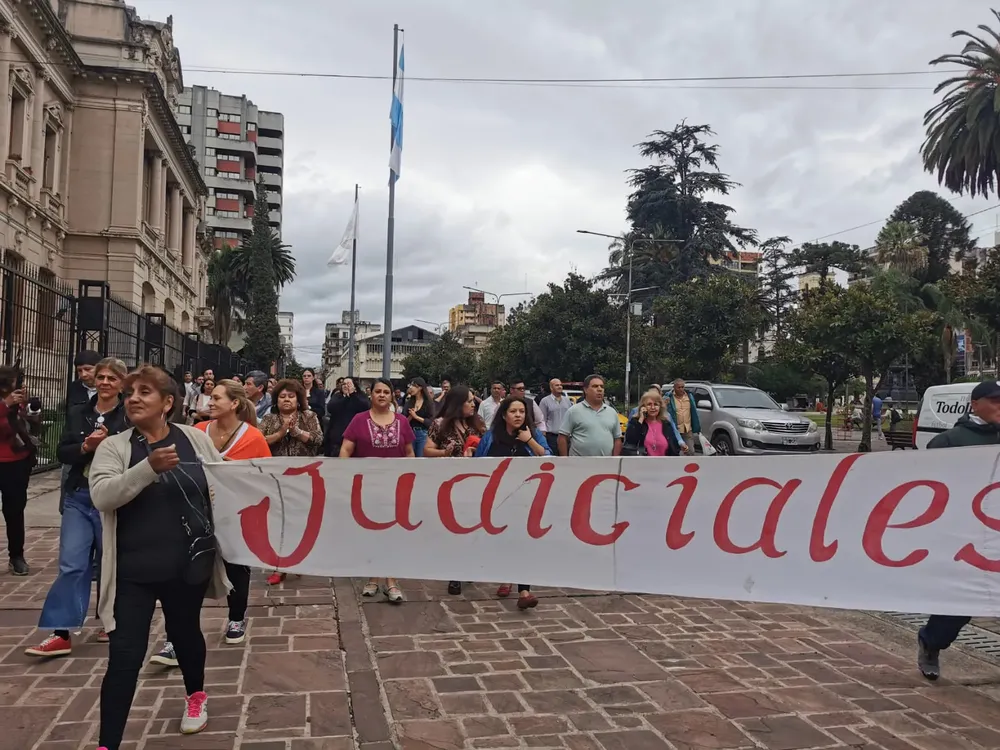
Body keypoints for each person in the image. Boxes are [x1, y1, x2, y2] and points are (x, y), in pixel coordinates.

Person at [88, 365, 232, 746]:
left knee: (185, 634)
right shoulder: (115, 447)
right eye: (131, 391)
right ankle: (108, 743)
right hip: (132, 572)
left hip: (186, 566)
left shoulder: (194, 440)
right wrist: (147, 468)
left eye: (145, 391)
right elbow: (102, 496)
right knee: (124, 657)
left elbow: (224, 482)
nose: (133, 397)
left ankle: (196, 697)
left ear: (167, 402)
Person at [150, 379, 269, 667]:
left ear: (235, 404)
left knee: (236, 564)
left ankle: (236, 618)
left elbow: (265, 476)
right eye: (210, 398)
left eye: (216, 398)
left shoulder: (253, 437)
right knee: (182, 573)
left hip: (234, 514)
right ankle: (175, 636)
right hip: (194, 514)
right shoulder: (196, 432)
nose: (210, 403)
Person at [26, 358, 129, 658]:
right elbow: (62, 452)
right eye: (101, 377)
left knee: (112, 564)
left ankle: (111, 621)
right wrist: (86, 447)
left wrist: (107, 446)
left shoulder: (128, 416)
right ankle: (61, 631)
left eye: (112, 378)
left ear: (122, 383)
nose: (105, 382)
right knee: (72, 564)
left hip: (111, 498)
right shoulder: (78, 413)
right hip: (79, 496)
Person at [916, 380, 1000, 681]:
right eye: (994, 400)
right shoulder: (949, 441)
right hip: (967, 534)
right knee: (964, 600)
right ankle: (931, 641)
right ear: (975, 404)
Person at [341, 378, 415, 603]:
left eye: (386, 392)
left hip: (396, 488)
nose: (382, 395)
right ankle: (373, 577)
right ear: (370, 395)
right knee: (372, 531)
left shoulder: (402, 421)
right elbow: (346, 449)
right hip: (367, 488)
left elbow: (410, 453)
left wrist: (413, 480)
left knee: (392, 532)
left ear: (392, 396)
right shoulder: (358, 420)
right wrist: (343, 478)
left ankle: (391, 581)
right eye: (378, 392)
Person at [474, 395, 550, 609]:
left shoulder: (532, 434)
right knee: (504, 541)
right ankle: (506, 577)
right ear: (504, 415)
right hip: (497, 499)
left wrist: (529, 440)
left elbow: (547, 457)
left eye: (522, 412)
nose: (518, 415)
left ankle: (524, 590)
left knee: (522, 542)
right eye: (513, 411)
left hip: (526, 497)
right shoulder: (490, 437)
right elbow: (477, 465)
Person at [425, 385, 486, 595]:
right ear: (457, 403)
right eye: (469, 400)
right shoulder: (440, 424)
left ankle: (470, 566)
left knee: (473, 527)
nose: (472, 404)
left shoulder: (477, 424)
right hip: (450, 485)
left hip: (477, 484)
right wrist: (445, 452)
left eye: (473, 401)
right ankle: (455, 574)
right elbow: (427, 451)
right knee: (455, 528)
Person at [0, 365, 41, 575]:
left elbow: (31, 428)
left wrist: (30, 409)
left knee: (14, 511)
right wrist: (5, 405)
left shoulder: (17, 403)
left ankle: (16, 555)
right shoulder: (6, 403)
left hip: (16, 462)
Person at [558, 374, 622, 458]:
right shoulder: (573, 411)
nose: (599, 389)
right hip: (579, 464)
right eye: (595, 386)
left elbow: (617, 439)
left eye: (602, 387)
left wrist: (614, 460)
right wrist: (565, 461)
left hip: (605, 465)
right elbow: (562, 437)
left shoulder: (612, 412)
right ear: (586, 390)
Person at [260, 379, 324, 458]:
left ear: (298, 400)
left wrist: (296, 432)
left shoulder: (309, 416)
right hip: (275, 467)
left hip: (304, 466)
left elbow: (318, 439)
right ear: (276, 400)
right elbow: (259, 442)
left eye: (291, 396)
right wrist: (280, 433)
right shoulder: (268, 418)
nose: (286, 399)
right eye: (282, 397)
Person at [623, 389, 684, 456]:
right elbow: (630, 440)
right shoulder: (635, 423)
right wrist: (641, 419)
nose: (653, 407)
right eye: (649, 404)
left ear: (660, 407)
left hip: (664, 464)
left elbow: (674, 447)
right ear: (643, 407)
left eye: (656, 404)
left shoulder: (666, 424)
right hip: (642, 463)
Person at [324, 377, 370, 457]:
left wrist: (352, 395)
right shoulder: (337, 396)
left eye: (349, 384)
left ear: (354, 386)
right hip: (338, 435)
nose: (346, 386)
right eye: (344, 384)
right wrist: (345, 397)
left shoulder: (361, 396)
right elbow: (331, 408)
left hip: (356, 435)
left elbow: (365, 407)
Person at [666, 379, 701, 454]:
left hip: (687, 429)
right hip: (675, 429)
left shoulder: (689, 396)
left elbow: (694, 412)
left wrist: (696, 426)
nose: (681, 389)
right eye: (679, 387)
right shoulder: (669, 397)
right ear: (674, 387)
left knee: (690, 451)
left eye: (682, 387)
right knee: (675, 452)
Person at [405, 377, 436, 457]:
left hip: (423, 434)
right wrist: (410, 417)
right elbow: (403, 422)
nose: (411, 388)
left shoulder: (429, 403)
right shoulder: (409, 402)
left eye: (413, 386)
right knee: (409, 458)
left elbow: (431, 422)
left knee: (420, 458)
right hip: (410, 433)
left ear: (420, 388)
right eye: (410, 385)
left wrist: (416, 417)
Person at [539, 378, 573, 449]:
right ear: (551, 388)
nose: (560, 387)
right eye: (557, 385)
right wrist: (543, 436)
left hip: (566, 436)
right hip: (552, 437)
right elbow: (542, 420)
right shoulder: (545, 401)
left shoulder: (567, 400)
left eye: (560, 385)